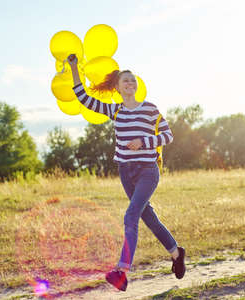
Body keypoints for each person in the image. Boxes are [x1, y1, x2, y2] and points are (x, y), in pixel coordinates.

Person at [67, 54, 186, 291]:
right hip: (125, 171)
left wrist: (144, 141)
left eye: (132, 80)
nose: (130, 84)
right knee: (147, 217)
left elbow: (168, 136)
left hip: (147, 171)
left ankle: (121, 271)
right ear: (118, 88)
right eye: (125, 81)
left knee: (131, 215)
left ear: (137, 85)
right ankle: (176, 252)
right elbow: (83, 98)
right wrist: (73, 68)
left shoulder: (150, 109)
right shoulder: (116, 111)